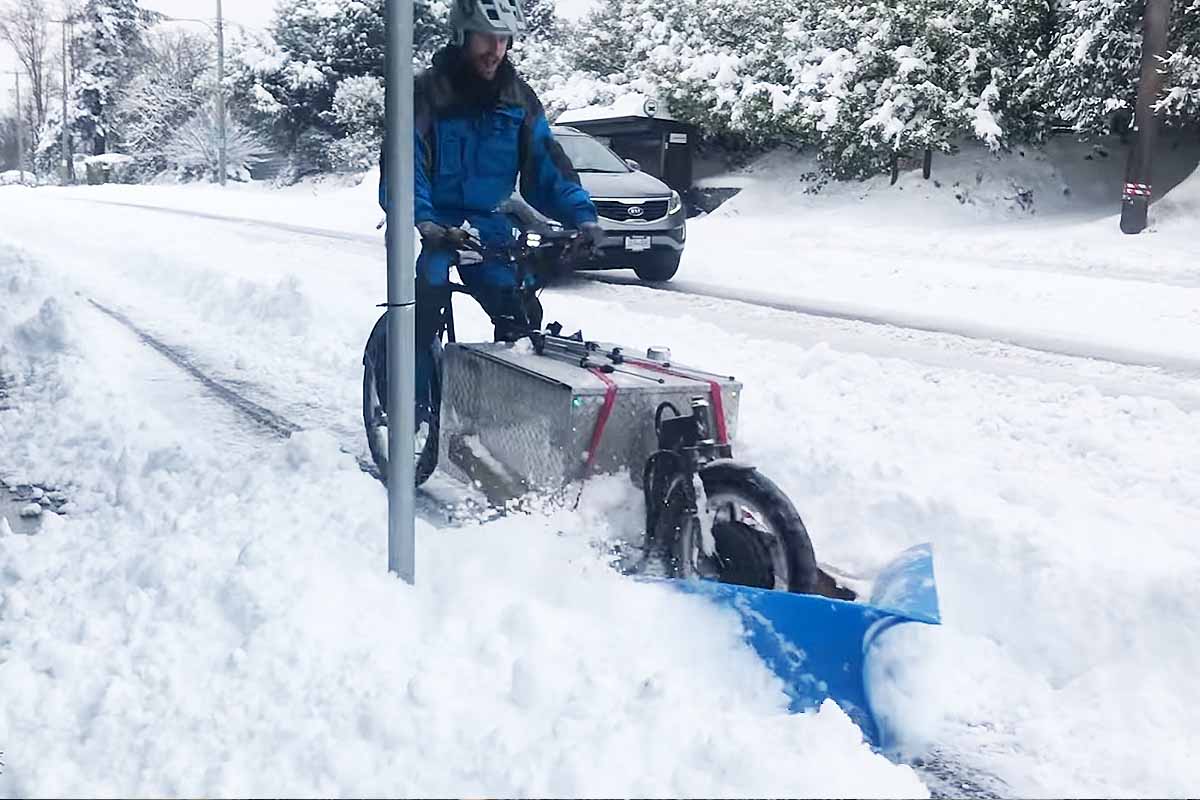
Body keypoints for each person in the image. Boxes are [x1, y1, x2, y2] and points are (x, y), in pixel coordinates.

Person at [378, 0, 603, 426]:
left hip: (489, 225)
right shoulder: (425, 94)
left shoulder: (518, 99)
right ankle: (406, 395)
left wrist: (583, 216)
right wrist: (424, 219)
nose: (495, 49)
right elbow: (403, 162)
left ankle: (509, 417)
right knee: (427, 292)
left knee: (519, 314)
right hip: (439, 223)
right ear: (462, 36)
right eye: (486, 37)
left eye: (503, 40)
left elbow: (545, 166)